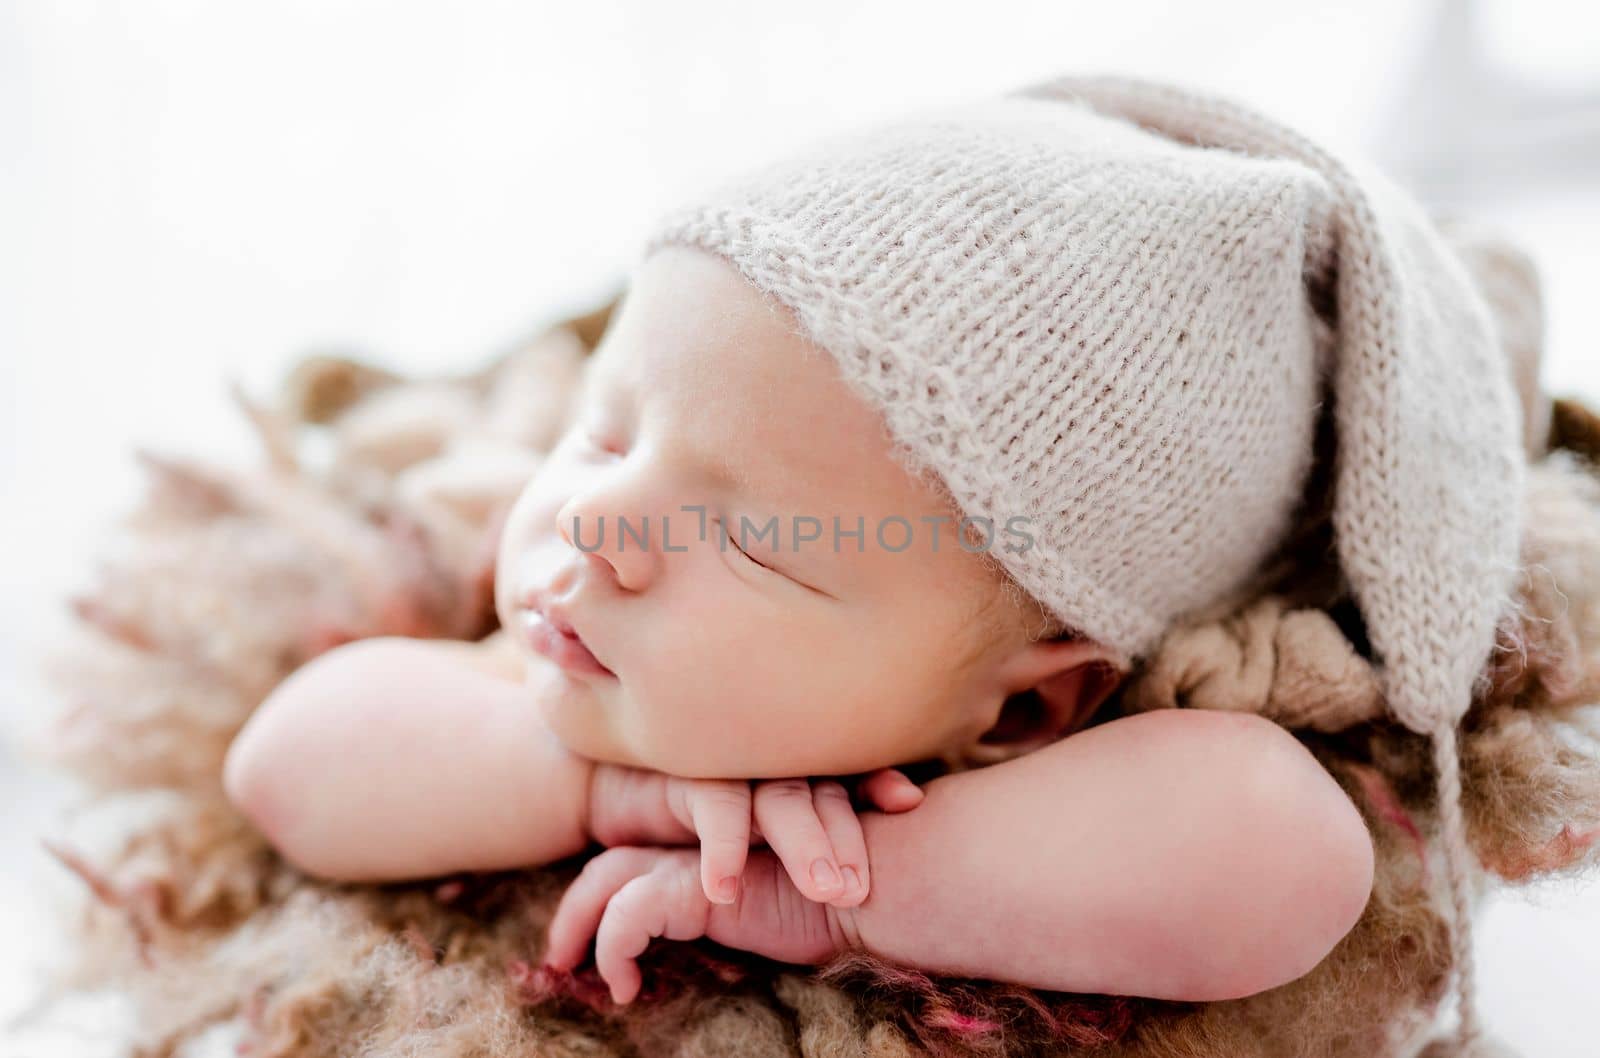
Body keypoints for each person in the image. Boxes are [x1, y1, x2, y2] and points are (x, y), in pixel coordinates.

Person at [223, 73, 1528, 1055]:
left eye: (746, 536)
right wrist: (597, 782)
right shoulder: (557, 649)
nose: (599, 528)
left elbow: (1284, 849)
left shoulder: (1040, 765)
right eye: (602, 428)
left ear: (1023, 707)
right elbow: (285, 764)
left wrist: (841, 891)